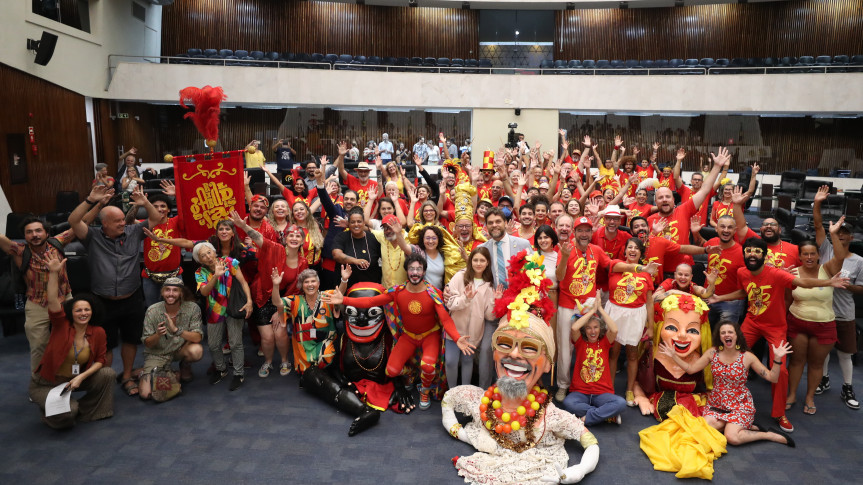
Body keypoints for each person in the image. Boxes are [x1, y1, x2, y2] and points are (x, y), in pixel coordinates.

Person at [440, 275, 599, 484]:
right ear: (494, 352)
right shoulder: (480, 401)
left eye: (530, 348)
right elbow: (448, 400)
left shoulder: (549, 417)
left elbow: (591, 443)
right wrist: (461, 433)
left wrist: (579, 470)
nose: (514, 355)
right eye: (505, 344)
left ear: (547, 364)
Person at [722, 237, 849, 433]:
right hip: (752, 323)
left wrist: (829, 282)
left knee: (779, 370)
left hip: (775, 327)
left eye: (757, 251)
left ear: (764, 255)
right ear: (744, 254)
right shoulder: (741, 272)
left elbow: (802, 282)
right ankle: (727, 402)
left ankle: (779, 412)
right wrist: (719, 297)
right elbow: (744, 292)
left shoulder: (776, 273)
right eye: (749, 251)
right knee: (730, 356)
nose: (752, 254)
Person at [324, 253, 476, 409]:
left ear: (423, 272)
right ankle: (409, 373)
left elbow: (445, 319)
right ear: (407, 271)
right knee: (391, 370)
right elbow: (370, 301)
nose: (415, 272)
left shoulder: (433, 293)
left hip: (430, 336)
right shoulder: (397, 291)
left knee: (428, 367)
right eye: (411, 269)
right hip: (408, 336)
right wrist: (344, 300)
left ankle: (425, 390)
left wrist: (457, 338)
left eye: (419, 269)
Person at [68, 184, 161, 397]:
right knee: (106, 344)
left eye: (122, 219)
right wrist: (91, 200)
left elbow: (156, 219)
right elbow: (74, 221)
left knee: (130, 339)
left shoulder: (133, 232)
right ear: (105, 224)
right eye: (118, 221)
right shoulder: (92, 237)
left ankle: (127, 375)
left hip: (132, 298)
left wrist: (144, 202)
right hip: (103, 301)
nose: (123, 223)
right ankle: (107, 379)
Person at [659, 321, 795, 447]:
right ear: (720, 337)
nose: (726, 335)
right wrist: (674, 355)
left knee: (732, 438)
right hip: (717, 404)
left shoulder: (747, 356)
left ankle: (767, 435)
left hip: (740, 405)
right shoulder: (712, 353)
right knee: (702, 430)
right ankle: (741, 425)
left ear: (736, 336)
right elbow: (691, 369)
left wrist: (777, 359)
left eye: (730, 332)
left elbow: (773, 378)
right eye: (723, 332)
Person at [0, 212, 101, 374]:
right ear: (24, 236)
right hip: (37, 304)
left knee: (74, 341)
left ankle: (74, 376)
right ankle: (39, 383)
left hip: (65, 301)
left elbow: (83, 221)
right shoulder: (19, 251)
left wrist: (99, 203)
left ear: (47, 233)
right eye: (29, 232)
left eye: (38, 231)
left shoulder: (58, 242)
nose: (34, 235)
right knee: (39, 346)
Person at [29, 253, 115, 429]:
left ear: (92, 312)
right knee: (67, 417)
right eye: (78, 310)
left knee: (108, 374)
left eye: (87, 310)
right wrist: (54, 273)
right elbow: (52, 299)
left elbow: (100, 360)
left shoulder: (98, 332)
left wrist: (80, 378)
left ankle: (84, 409)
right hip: (46, 383)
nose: (83, 313)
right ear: (71, 312)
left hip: (74, 380)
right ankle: (53, 410)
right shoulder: (61, 325)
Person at [230, 213, 307, 379]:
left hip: (282, 301)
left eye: (298, 236)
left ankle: (285, 360)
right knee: (267, 338)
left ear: (302, 241)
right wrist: (243, 226)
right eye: (291, 235)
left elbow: (298, 290)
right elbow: (258, 238)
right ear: (285, 238)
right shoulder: (275, 248)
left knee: (280, 334)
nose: (294, 238)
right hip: (262, 297)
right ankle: (268, 361)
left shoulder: (303, 262)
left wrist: (281, 309)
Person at [786, 221, 848, 414]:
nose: (810, 257)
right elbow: (787, 300)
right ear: (800, 256)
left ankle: (810, 397)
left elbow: (840, 256)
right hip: (797, 322)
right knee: (796, 361)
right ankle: (792, 394)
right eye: (805, 254)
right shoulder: (793, 273)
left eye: (813, 253)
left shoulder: (827, 269)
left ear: (819, 255)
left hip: (824, 325)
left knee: (816, 363)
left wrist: (833, 235)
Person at [813, 186, 863, 410]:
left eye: (843, 238)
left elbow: (861, 289)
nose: (839, 241)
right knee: (823, 350)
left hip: (844, 312)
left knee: (845, 353)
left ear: (850, 238)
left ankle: (848, 386)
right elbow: (817, 225)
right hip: (822, 310)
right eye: (837, 236)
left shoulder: (859, 261)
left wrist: (846, 286)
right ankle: (824, 380)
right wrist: (817, 203)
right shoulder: (826, 250)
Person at [605, 238, 659, 405]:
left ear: (641, 253)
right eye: (630, 247)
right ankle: (609, 388)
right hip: (615, 312)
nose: (633, 250)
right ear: (625, 251)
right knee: (613, 352)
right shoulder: (616, 265)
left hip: (636, 314)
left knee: (632, 354)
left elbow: (649, 302)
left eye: (636, 248)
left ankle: (629, 390)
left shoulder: (647, 274)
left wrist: (650, 326)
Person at [138, 277, 204, 399]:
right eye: (167, 290)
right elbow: (147, 343)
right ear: (162, 292)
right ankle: (148, 372)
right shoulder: (152, 311)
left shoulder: (192, 308)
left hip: (179, 350)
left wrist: (176, 330)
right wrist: (157, 335)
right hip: (157, 354)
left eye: (175, 290)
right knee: (146, 394)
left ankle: (183, 366)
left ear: (181, 293)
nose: (171, 294)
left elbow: (198, 337)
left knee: (197, 351)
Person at [563, 298, 626, 426]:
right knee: (568, 403)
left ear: (600, 328)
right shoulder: (580, 342)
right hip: (580, 392)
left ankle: (588, 417)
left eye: (596, 327)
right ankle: (606, 416)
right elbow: (574, 327)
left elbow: (614, 330)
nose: (593, 331)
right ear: (584, 330)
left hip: (602, 393)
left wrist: (600, 310)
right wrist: (591, 311)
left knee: (621, 403)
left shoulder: (604, 342)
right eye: (589, 328)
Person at [445, 247, 500, 388]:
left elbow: (489, 315)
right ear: (470, 261)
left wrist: (495, 301)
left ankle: (465, 392)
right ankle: (452, 392)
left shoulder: (489, 284)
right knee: (451, 361)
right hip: (455, 332)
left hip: (473, 335)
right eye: (475, 260)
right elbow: (450, 304)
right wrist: (466, 299)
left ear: (488, 263)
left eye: (482, 260)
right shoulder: (459, 277)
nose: (478, 263)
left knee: (467, 362)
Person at [272, 268, 342, 374]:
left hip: (324, 343)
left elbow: (339, 294)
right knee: (306, 373)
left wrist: (344, 280)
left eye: (313, 281)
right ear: (301, 285)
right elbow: (277, 303)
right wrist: (276, 285)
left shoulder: (327, 296)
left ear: (318, 283)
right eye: (306, 282)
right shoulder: (295, 301)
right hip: (303, 347)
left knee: (327, 357)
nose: (310, 285)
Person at [331, 207, 383, 288]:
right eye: (352, 222)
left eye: (359, 221)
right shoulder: (341, 237)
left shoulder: (373, 238)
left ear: (363, 223)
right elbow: (336, 255)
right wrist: (355, 261)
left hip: (372, 287)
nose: (356, 224)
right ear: (348, 224)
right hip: (347, 287)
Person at [336, 141, 378, 206]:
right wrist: (341, 156)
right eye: (361, 171)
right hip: (355, 214)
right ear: (357, 172)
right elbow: (341, 170)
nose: (363, 174)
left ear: (369, 172)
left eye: (365, 171)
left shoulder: (374, 184)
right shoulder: (352, 180)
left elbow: (378, 203)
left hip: (371, 215)